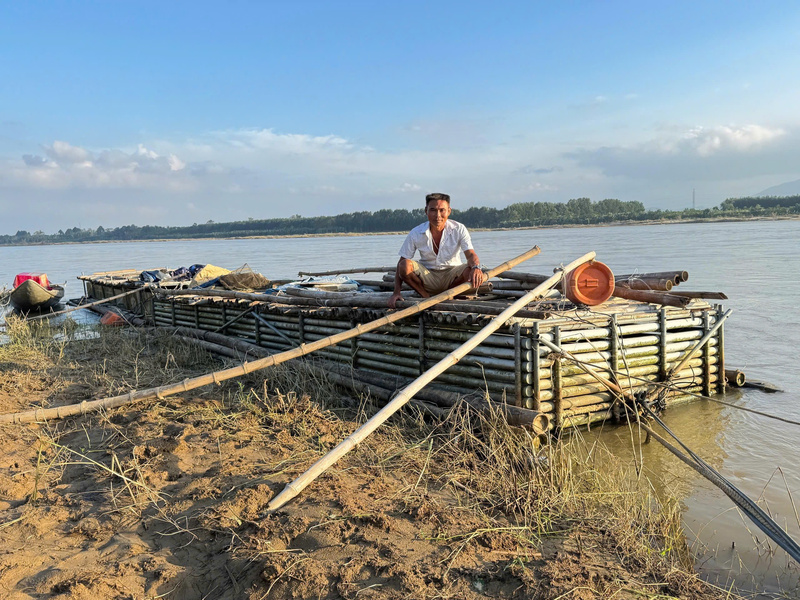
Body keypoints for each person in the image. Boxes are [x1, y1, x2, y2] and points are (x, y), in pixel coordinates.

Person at [388, 193, 486, 308]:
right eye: (433, 210)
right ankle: (426, 297)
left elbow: (471, 255)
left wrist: (476, 268)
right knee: (404, 265)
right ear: (426, 211)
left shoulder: (459, 229)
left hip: (452, 276)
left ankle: (450, 294)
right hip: (427, 277)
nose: (438, 215)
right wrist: (396, 293)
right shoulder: (416, 232)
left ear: (449, 211)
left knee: (470, 270)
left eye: (442, 210)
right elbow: (402, 262)